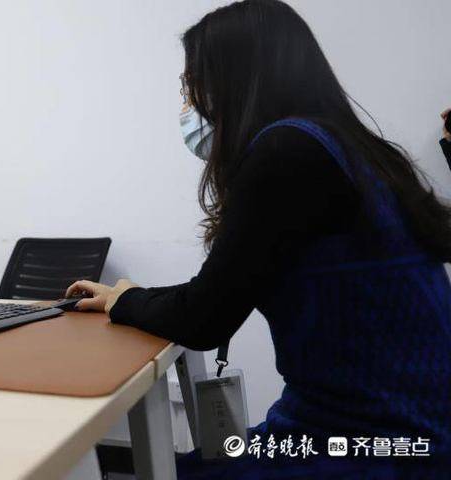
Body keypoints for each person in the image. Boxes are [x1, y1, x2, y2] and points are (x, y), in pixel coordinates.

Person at [66, 0, 451, 476]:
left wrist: (128, 302)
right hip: (412, 434)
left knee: (160, 469)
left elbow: (204, 320)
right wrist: (126, 297)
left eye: (192, 85)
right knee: (174, 463)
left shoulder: (286, 152)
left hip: (364, 447)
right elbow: (227, 286)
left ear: (234, 81)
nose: (189, 104)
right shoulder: (359, 152)